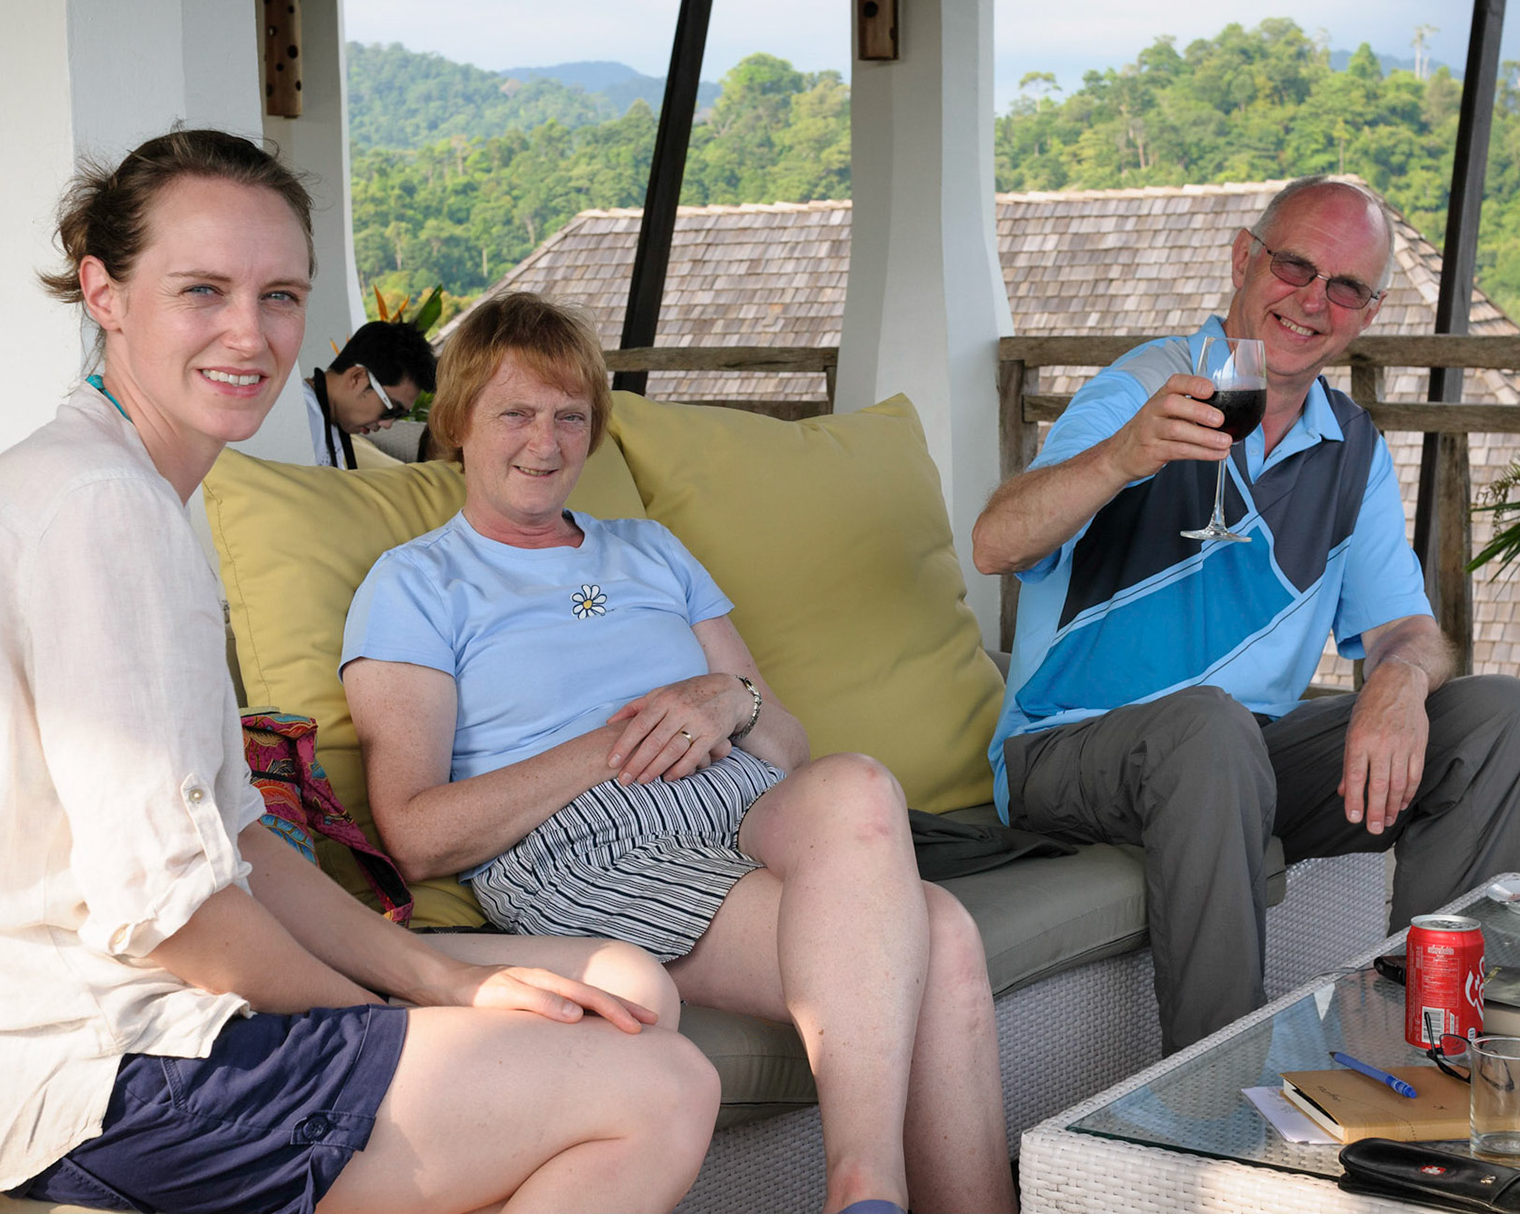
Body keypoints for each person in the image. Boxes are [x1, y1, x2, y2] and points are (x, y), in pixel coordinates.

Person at [0, 129, 719, 1214]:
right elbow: (178, 917)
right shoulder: (100, 509)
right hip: (106, 1074)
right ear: (105, 291)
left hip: (148, 1030)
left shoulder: (125, 490)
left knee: (623, 984)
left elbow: (234, 838)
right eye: (202, 290)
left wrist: (444, 977)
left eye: (280, 295)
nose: (251, 333)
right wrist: (394, 1022)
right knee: (657, 1085)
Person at [342, 291, 1016, 1214]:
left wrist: (723, 697)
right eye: (516, 413)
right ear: (458, 423)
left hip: (740, 806)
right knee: (938, 935)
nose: (546, 442)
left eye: (570, 416)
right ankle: (867, 1189)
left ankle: (869, 1198)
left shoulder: (650, 549)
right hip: (587, 849)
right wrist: (609, 744)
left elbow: (783, 742)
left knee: (858, 780)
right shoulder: (417, 583)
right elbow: (416, 835)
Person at [972, 175, 1520, 1054]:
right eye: (1295, 266)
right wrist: (1122, 457)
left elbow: (1411, 628)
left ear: (1369, 309)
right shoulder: (1146, 387)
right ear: (1246, 259)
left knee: (1505, 714)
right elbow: (994, 542)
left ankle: (1434, 1045)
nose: (1313, 301)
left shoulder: (1350, 445)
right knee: (1210, 729)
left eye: (1345, 287)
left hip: (1240, 754)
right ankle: (1213, 1099)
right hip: (1066, 747)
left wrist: (1397, 675)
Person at [304, 318, 434, 467]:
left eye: (400, 415)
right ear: (357, 377)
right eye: (390, 410)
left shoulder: (330, 419)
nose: (387, 424)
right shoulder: (303, 416)